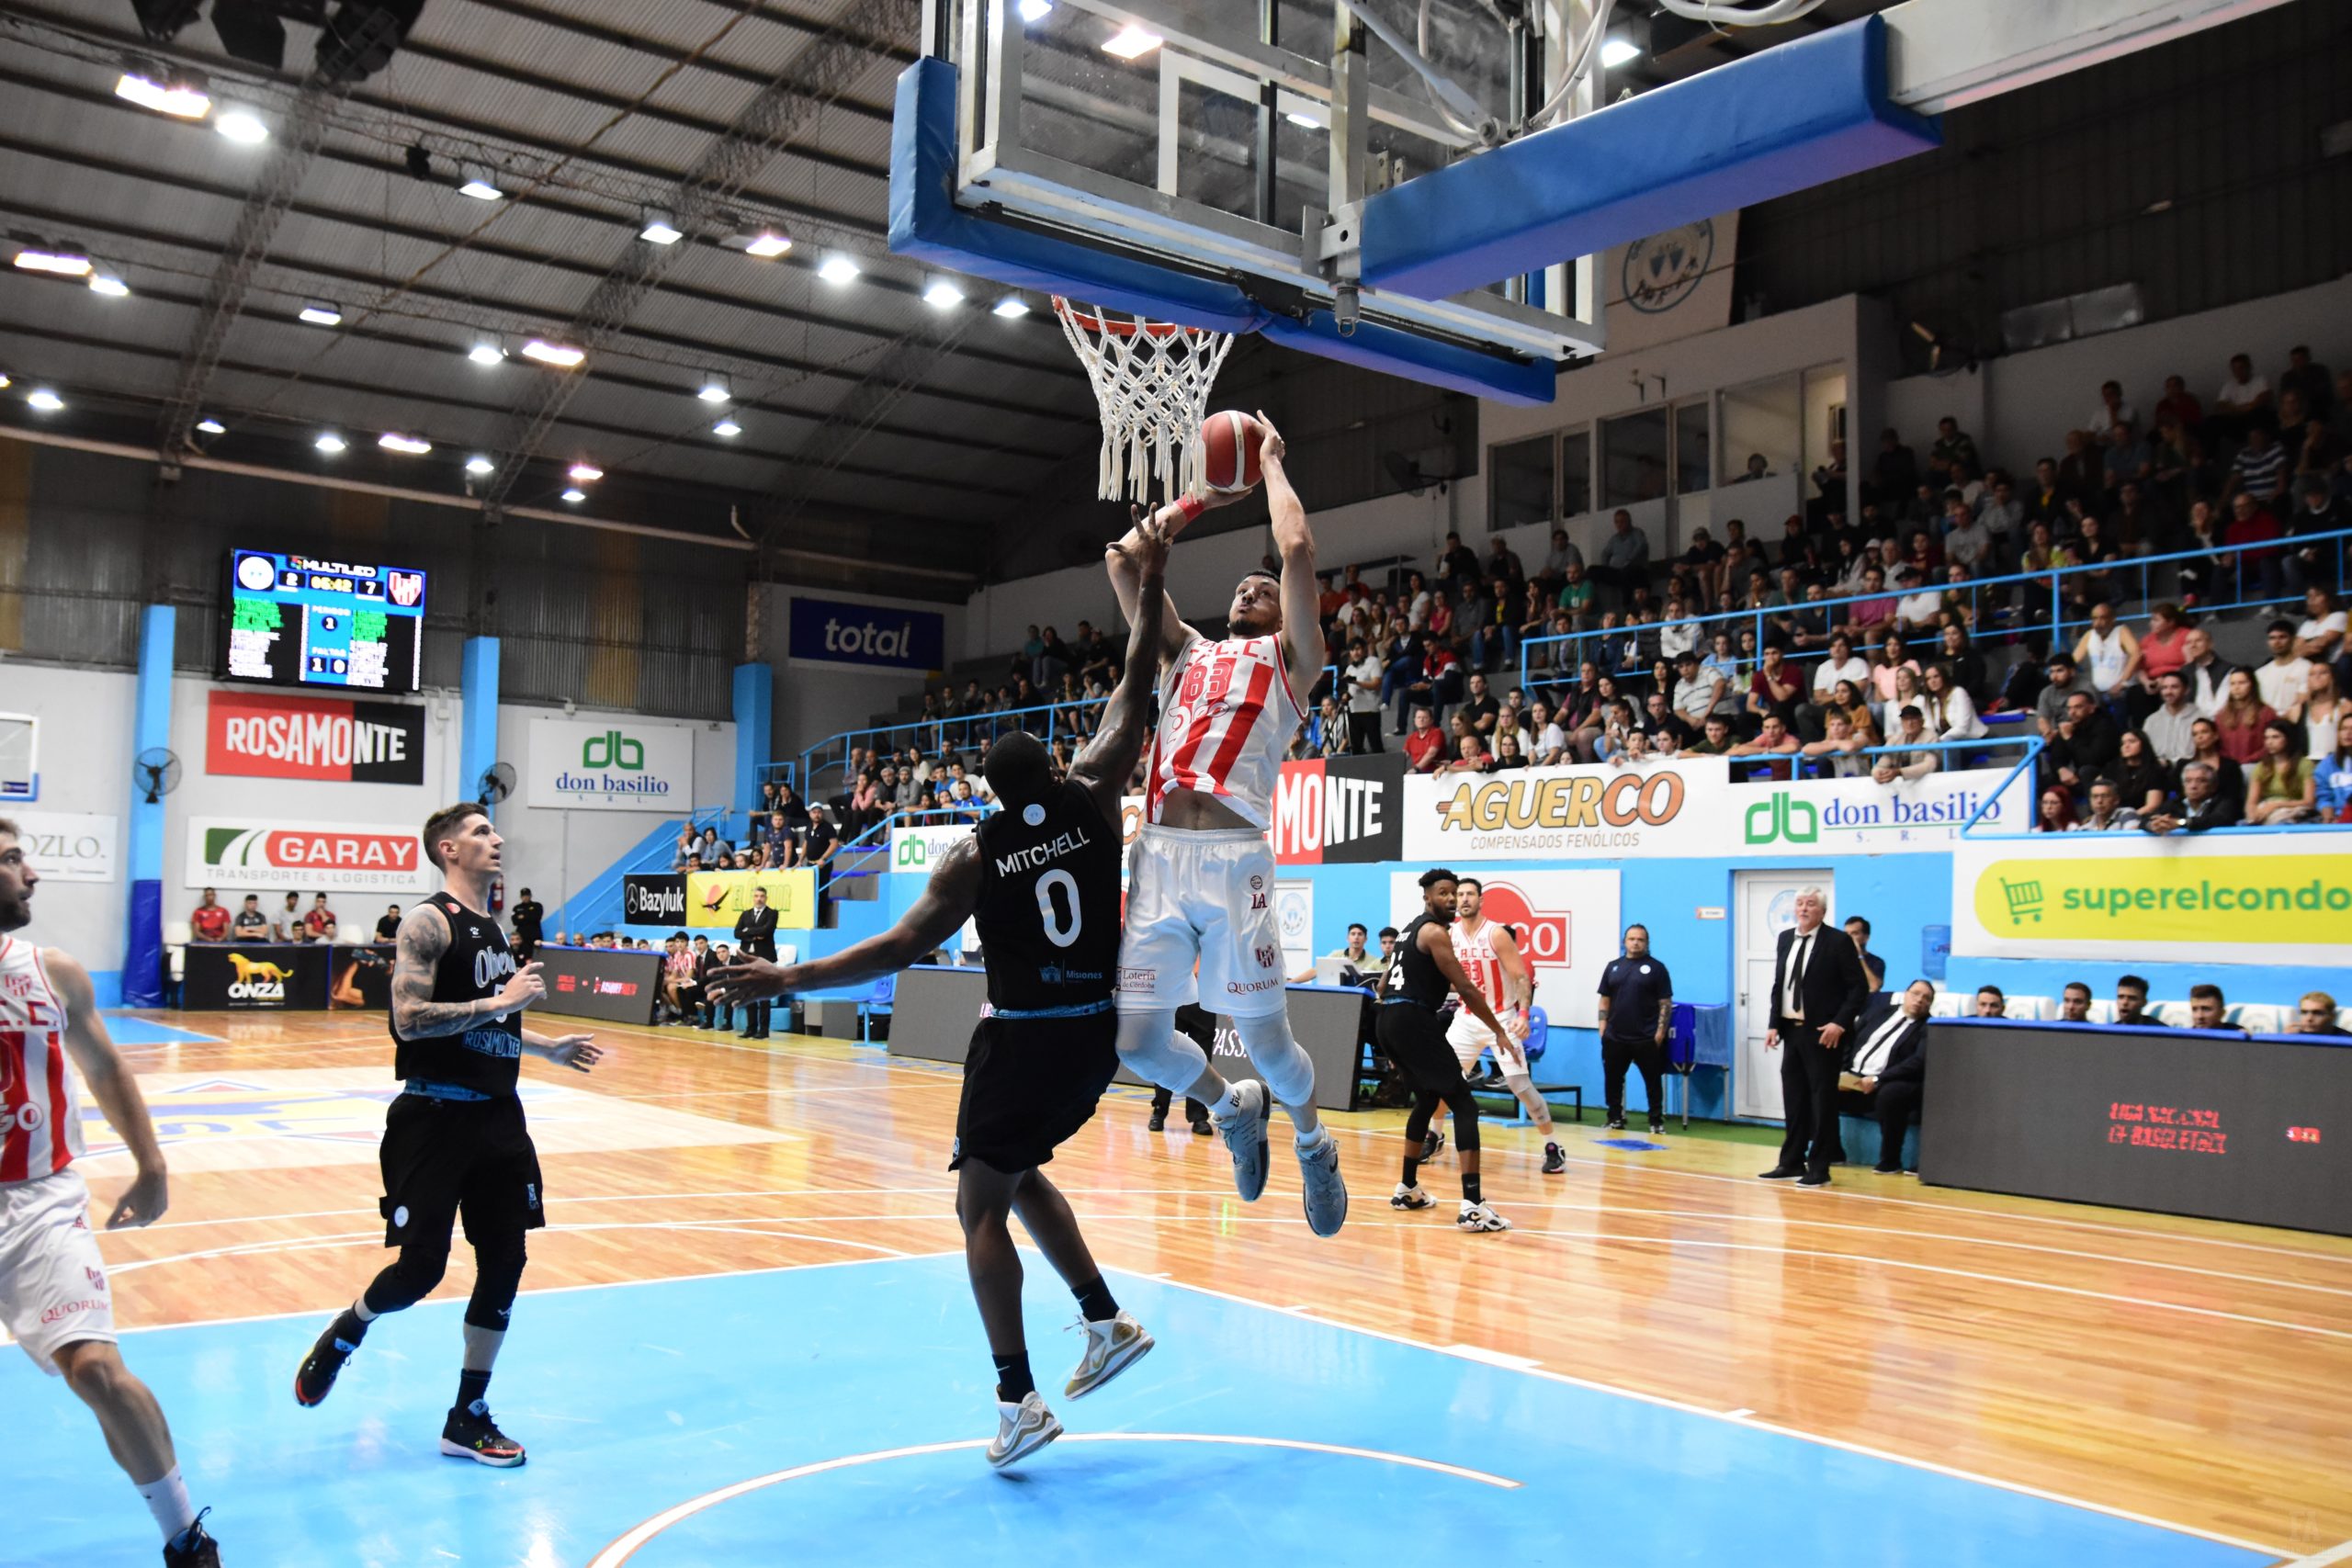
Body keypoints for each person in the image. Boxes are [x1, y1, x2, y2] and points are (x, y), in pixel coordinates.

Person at [708, 524, 1170, 1468]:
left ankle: (1018, 1399)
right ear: (1052, 769)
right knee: (1017, 1169)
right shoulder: (1094, 798)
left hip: (1025, 1037)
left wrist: (787, 976)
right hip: (1094, 1040)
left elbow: (894, 946)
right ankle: (1105, 1319)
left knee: (979, 1208)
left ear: (991, 797)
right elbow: (1135, 686)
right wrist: (1150, 572)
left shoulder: (975, 853)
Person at [292, 802, 603, 1468]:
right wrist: (502, 1001)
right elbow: (409, 1019)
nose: (496, 839)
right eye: (481, 832)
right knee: (420, 1269)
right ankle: (350, 1327)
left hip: (498, 1118)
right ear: (447, 849)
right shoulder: (427, 921)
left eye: (493, 830)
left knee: (506, 1263)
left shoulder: (494, 929)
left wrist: (543, 1047)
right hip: (433, 1119)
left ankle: (468, 1414)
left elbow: (493, 1024)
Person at [1100, 412, 1347, 1236]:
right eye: (1242, 586)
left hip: (1235, 855)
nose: (1251, 587)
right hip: (1160, 856)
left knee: (1271, 1045)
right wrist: (1202, 494)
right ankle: (1227, 1104)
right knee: (1135, 1041)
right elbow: (1123, 558)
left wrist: (1271, 464)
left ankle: (1312, 1140)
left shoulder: (1290, 659)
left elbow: (1300, 550)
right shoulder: (1186, 651)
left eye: (1263, 587)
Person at [0, 820, 227, 1565]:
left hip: (39, 1198)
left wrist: (151, 1161)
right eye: (10, 860)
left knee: (96, 1368)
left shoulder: (51, 970)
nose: (30, 874)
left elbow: (102, 1067)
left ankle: (186, 1536)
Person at [1378, 869, 1520, 1233]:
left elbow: (1381, 985)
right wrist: (1499, 1030)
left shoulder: (1409, 930)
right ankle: (1473, 1206)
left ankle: (1407, 1188)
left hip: (1390, 1019)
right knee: (1466, 1105)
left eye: (1454, 894)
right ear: (1427, 897)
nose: (1452, 900)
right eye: (1444, 893)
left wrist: (1397, 1033)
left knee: (1426, 1102)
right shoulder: (1434, 932)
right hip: (1412, 1019)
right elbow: (1467, 989)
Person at [1429, 878, 1563, 1173]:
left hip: (1501, 1017)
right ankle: (1435, 1135)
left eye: (1469, 894)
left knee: (1519, 1084)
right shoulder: (1449, 935)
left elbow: (1520, 977)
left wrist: (1524, 1014)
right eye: (1459, 894)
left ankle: (1553, 1145)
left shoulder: (1497, 934)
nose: (1463, 899)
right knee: (1443, 1079)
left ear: (1481, 899)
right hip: (1466, 1018)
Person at [1759, 887, 1870, 1188]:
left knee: (1822, 1101)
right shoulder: (1785, 939)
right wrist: (1773, 1024)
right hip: (1791, 1031)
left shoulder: (1837, 941)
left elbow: (1858, 988)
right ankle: (1791, 1161)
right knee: (1794, 1098)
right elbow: (1779, 985)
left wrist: (1839, 1023)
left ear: (1821, 911)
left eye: (1811, 904)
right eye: (1800, 903)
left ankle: (1820, 1167)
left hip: (1823, 1034)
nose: (1804, 908)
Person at [1836, 978, 1933, 1174]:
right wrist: (1843, 1070)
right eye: (1915, 994)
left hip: (1886, 1082)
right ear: (1905, 994)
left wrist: (1879, 1079)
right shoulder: (1880, 1013)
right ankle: (1830, 1151)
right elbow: (1852, 1039)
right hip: (1854, 1077)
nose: (1919, 1000)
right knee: (1819, 1086)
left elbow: (1917, 1063)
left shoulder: (1927, 1027)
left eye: (1926, 998)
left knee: (1892, 1094)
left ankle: (1890, 1160)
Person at [1595, 924, 1674, 1134]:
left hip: (1646, 1037)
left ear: (1647, 943)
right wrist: (1603, 1027)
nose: (1635, 943)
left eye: (1640, 939)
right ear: (1624, 942)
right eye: (1631, 939)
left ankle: (1656, 1121)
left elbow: (1665, 1003)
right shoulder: (1613, 967)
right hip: (1615, 1036)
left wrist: (1659, 1032)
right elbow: (1605, 1000)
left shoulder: (1657, 968)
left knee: (1652, 1081)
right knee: (1613, 1080)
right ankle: (1615, 1118)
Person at [1148, 1006, 1216, 1136]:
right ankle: (1159, 1110)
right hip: (1173, 1001)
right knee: (1165, 1057)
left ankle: (1199, 1115)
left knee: (1202, 1060)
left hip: (1203, 1001)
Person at [2246, 719, 2319, 824]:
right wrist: (2253, 815)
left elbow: (2309, 802)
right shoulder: (2261, 767)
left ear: (2288, 739)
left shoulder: (2305, 765)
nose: (2269, 742)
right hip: (2266, 809)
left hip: (2294, 811)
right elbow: (2251, 802)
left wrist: (2277, 805)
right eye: (2267, 738)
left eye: (2275, 737)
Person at [2144, 760, 2243, 834]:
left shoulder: (2224, 802)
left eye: (2201, 781)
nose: (2193, 786)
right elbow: (2145, 819)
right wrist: (2153, 825)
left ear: (2213, 786)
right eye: (2188, 781)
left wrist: (2180, 823)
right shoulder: (2175, 803)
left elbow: (2216, 820)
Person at [733, 886, 780, 1039]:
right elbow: (736, 933)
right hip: (747, 959)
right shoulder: (745, 914)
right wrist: (753, 935)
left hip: (765, 959)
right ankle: (751, 1028)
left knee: (764, 995)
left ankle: (764, 1030)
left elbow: (767, 930)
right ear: (753, 898)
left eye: (762, 896)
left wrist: (748, 931)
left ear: (765, 898)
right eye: (756, 896)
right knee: (749, 993)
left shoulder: (772, 913)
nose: (759, 899)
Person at [1844, 915, 1885, 993]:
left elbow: (1874, 987)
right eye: (1846, 934)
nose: (1848, 938)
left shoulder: (1876, 962)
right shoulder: (1836, 958)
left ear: (1866, 938)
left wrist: (1859, 956)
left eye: (1854, 934)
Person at [508, 887, 543, 963]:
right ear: (521, 897)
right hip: (522, 937)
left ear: (530, 896)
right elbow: (515, 921)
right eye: (523, 896)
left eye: (527, 895)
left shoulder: (537, 906)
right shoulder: (517, 908)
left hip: (534, 936)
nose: (525, 897)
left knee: (535, 957)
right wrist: (529, 916)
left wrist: (523, 917)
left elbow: (537, 918)